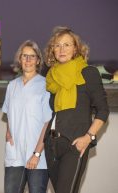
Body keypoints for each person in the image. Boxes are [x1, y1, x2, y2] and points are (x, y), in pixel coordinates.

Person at [44, 26, 109, 193]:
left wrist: (87, 138)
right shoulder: (52, 76)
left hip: (74, 144)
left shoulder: (88, 73)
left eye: (67, 45)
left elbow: (103, 111)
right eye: (57, 45)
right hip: (51, 144)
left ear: (76, 49)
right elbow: (53, 113)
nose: (61, 49)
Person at [2, 40, 52, 193]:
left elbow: (47, 122)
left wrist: (36, 153)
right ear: (20, 59)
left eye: (32, 56)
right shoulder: (12, 86)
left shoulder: (46, 85)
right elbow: (8, 113)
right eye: (25, 56)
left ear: (38, 60)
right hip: (15, 153)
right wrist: (9, 131)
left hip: (38, 155)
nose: (28, 60)